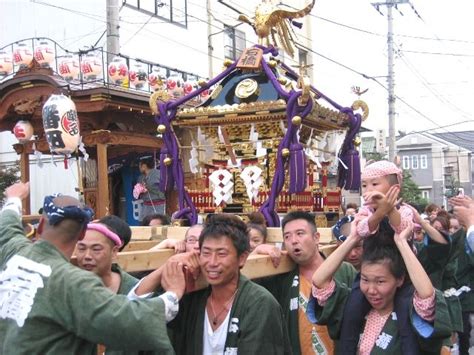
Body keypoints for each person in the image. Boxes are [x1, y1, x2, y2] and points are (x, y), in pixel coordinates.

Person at [0, 182, 184, 354]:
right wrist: (173, 294)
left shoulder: (15, 252)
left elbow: (7, 224)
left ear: (40, 225)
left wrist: (14, 197)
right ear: (82, 234)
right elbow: (130, 321)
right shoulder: (71, 282)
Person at [133, 214, 292, 354]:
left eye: (221, 254)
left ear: (242, 258)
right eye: (206, 253)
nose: (212, 262)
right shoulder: (193, 296)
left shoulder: (259, 303)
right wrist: (168, 265)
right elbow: (136, 312)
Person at [309, 222, 452, 354]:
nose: (371, 290)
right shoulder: (352, 305)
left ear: (399, 279)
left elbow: (427, 295)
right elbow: (319, 281)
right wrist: (353, 238)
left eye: (380, 281)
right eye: (365, 279)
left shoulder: (412, 314)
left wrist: (402, 243)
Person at [258, 211, 356, 354]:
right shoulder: (282, 277)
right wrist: (259, 250)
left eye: (300, 233)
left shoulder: (345, 271)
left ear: (316, 238)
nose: (293, 241)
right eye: (287, 236)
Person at [76, 217, 137, 295]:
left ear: (114, 251)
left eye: (96, 249)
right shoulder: (66, 289)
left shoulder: (134, 288)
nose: (87, 256)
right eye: (82, 248)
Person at [357, 160, 414, 238]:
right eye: (364, 185)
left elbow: (403, 231)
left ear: (394, 188)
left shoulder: (405, 211)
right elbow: (361, 231)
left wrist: (389, 207)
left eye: (374, 184)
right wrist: (381, 211)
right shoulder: (365, 211)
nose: (368, 190)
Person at [449, 195, 474, 355]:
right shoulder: (449, 244)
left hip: (466, 298)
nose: (452, 231)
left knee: (465, 332)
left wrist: (470, 222)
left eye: (457, 227)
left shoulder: (467, 239)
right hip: (452, 296)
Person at [134, 157, 166, 221]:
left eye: (140, 165)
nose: (139, 168)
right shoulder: (141, 178)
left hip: (158, 205)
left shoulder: (159, 174)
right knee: (144, 224)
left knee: (158, 224)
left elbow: (168, 186)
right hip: (146, 206)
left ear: (144, 166)